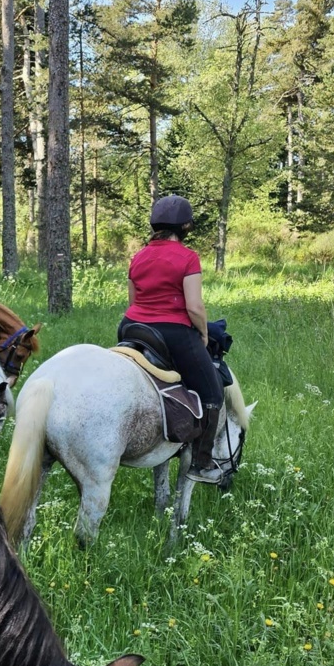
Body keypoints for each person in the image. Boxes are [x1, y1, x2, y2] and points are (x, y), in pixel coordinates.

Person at [120, 194, 225, 483]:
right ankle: (202, 464)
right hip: (173, 332)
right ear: (185, 227)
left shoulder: (138, 257)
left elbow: (133, 300)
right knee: (213, 391)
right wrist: (203, 333)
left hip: (131, 328)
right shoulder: (188, 257)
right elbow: (194, 306)